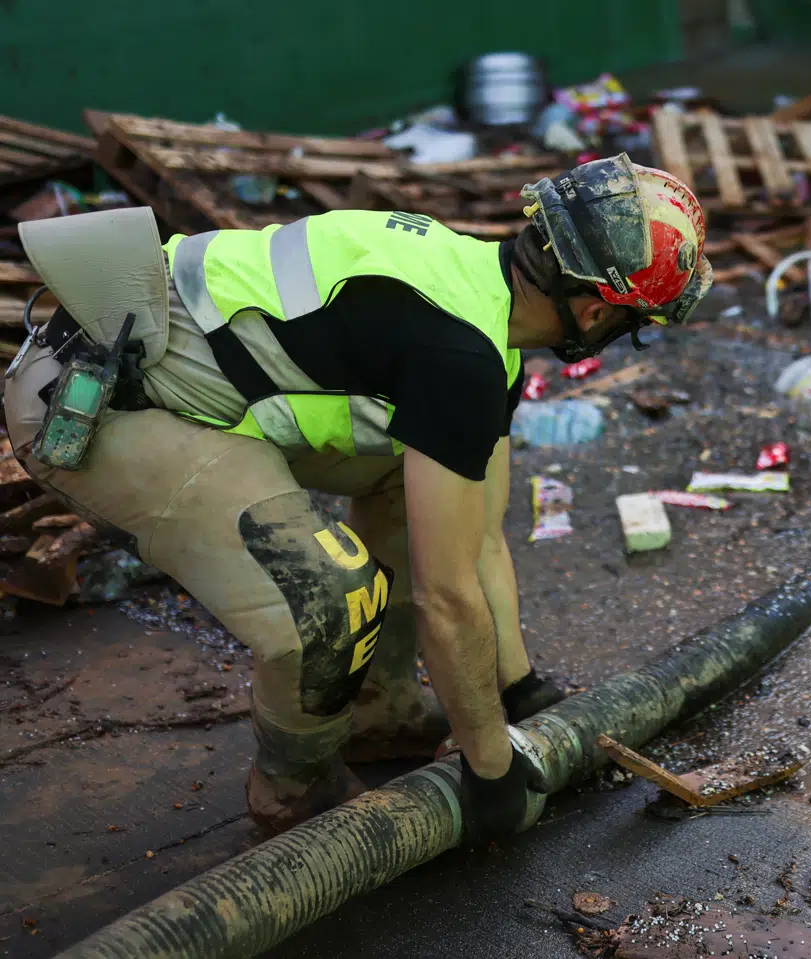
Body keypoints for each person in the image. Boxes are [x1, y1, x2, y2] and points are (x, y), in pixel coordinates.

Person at [3, 153, 711, 835]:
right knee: (333, 599)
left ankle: (380, 710)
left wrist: (521, 691)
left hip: (170, 379)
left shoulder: (477, 308)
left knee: (420, 487)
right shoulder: (460, 353)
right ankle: (295, 790)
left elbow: (479, 534)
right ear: (594, 315)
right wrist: (492, 773)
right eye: (632, 325)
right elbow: (447, 594)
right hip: (97, 403)